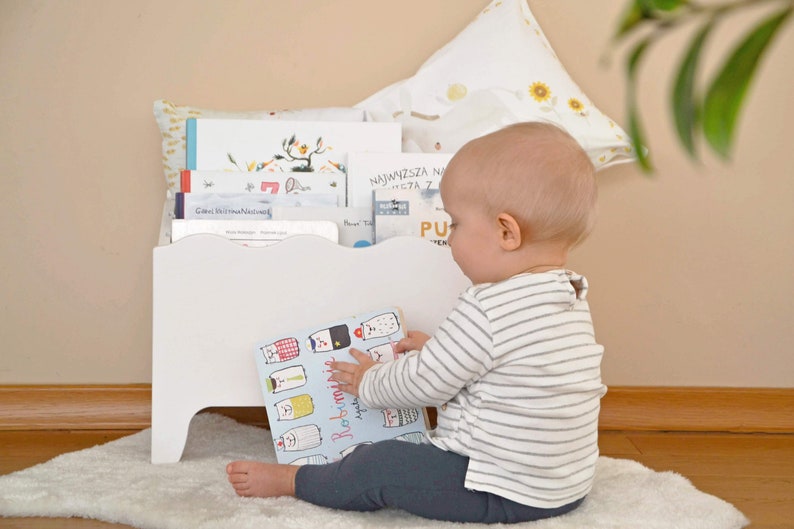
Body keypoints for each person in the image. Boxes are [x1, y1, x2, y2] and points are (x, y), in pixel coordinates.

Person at [226, 121, 607, 524]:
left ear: (506, 232)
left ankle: (296, 481)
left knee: (383, 464)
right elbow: (509, 369)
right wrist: (438, 350)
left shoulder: (487, 306)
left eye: (455, 223)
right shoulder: (568, 295)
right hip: (562, 488)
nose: (448, 236)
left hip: (496, 487)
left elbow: (424, 383)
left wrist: (368, 380)